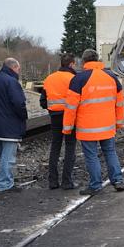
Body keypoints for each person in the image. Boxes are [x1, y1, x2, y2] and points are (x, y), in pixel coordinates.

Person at [63, 49, 124, 195]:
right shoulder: (111, 77)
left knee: (91, 156)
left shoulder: (79, 79)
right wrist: (119, 122)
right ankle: (118, 180)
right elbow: (120, 103)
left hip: (87, 128)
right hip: (108, 126)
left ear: (84, 62)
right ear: (98, 60)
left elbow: (71, 107)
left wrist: (67, 128)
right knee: (110, 152)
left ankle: (95, 185)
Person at [0, 58, 28, 193]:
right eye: (18, 69)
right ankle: (4, 184)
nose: (19, 72)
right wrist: (24, 116)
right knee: (8, 158)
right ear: (14, 67)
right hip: (9, 126)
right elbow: (19, 103)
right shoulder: (12, 82)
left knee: (3, 155)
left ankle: (5, 182)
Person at [41, 53, 77, 189]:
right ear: (71, 64)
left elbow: (43, 102)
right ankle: (67, 181)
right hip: (70, 117)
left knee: (55, 147)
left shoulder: (49, 79)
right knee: (70, 147)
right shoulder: (74, 78)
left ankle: (53, 181)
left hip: (54, 117)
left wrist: (53, 108)